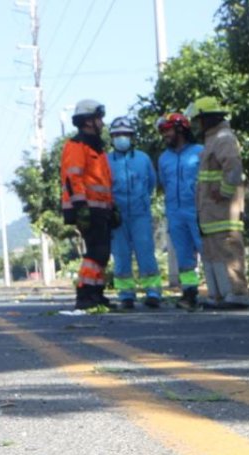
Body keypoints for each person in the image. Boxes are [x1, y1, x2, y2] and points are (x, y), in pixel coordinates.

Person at [186, 96, 249, 310]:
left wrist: (224, 192)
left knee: (228, 250)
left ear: (208, 118)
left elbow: (233, 168)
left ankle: (237, 293)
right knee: (213, 252)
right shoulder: (212, 140)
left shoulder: (223, 138)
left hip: (224, 211)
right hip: (211, 212)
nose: (197, 125)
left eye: (199, 119)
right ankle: (220, 295)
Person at [60, 99, 115, 310]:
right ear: (88, 121)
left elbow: (103, 182)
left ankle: (96, 293)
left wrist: (112, 206)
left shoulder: (97, 149)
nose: (102, 123)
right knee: (95, 253)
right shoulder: (76, 146)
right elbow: (73, 178)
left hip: (101, 209)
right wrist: (81, 207)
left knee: (102, 253)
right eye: (99, 118)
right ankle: (85, 293)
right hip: (88, 209)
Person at [107, 115, 161, 309]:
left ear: (132, 137)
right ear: (112, 138)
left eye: (125, 134)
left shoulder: (143, 159)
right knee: (121, 256)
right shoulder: (105, 161)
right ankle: (126, 295)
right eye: (117, 134)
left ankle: (153, 293)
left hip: (140, 215)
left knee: (146, 254)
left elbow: (151, 183)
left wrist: (142, 203)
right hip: (117, 217)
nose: (122, 137)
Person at [156, 112, 204, 309]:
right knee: (184, 257)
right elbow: (163, 183)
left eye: (167, 131)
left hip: (197, 210)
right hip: (175, 213)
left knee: (207, 250)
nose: (164, 136)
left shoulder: (200, 152)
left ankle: (218, 292)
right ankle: (189, 293)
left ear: (180, 129)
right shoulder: (164, 158)